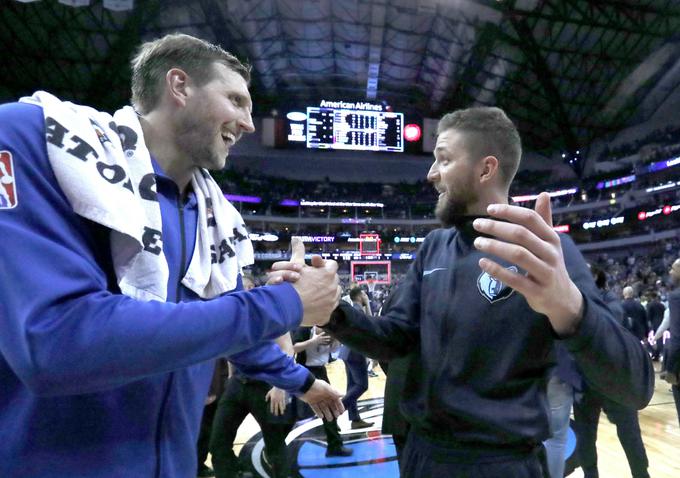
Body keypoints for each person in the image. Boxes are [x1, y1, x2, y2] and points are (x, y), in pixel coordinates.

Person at [0, 33, 345, 478]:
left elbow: (217, 327)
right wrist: (284, 304)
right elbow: (55, 342)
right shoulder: (34, 137)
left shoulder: (208, 211)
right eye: (236, 101)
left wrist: (304, 383)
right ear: (179, 86)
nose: (249, 124)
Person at [274, 107, 654, 477]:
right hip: (424, 455)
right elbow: (395, 341)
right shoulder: (434, 247)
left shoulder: (544, 251)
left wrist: (571, 309)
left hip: (502, 462)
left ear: (486, 168)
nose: (431, 174)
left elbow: (635, 386)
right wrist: (332, 312)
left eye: (443, 159)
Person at [572, 269, 651, 478]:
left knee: (629, 433)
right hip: (585, 380)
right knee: (586, 436)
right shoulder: (574, 300)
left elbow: (611, 320)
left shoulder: (610, 301)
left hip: (615, 378)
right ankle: (590, 474)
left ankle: (641, 473)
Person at [209, 334, 298, 478]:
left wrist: (279, 386)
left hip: (267, 386)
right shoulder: (236, 314)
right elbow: (232, 345)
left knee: (275, 446)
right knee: (218, 443)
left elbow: (287, 347)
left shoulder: (272, 313)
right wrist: (231, 376)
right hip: (237, 383)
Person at [292, 325, 353, 457]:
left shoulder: (331, 330)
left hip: (320, 370)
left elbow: (334, 353)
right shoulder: (304, 328)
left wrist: (335, 341)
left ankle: (334, 445)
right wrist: (313, 342)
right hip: (303, 371)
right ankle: (276, 445)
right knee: (293, 412)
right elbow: (292, 348)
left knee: (329, 407)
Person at [338, 287, 374, 429]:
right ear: (360, 296)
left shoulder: (352, 309)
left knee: (352, 387)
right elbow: (371, 329)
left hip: (347, 352)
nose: (366, 296)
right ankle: (336, 412)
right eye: (364, 294)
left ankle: (355, 419)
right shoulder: (358, 311)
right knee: (362, 385)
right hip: (355, 352)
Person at [664, 257, 680, 426]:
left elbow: (677, 335)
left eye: (674, 269)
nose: (670, 272)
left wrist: (671, 368)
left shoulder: (676, 296)